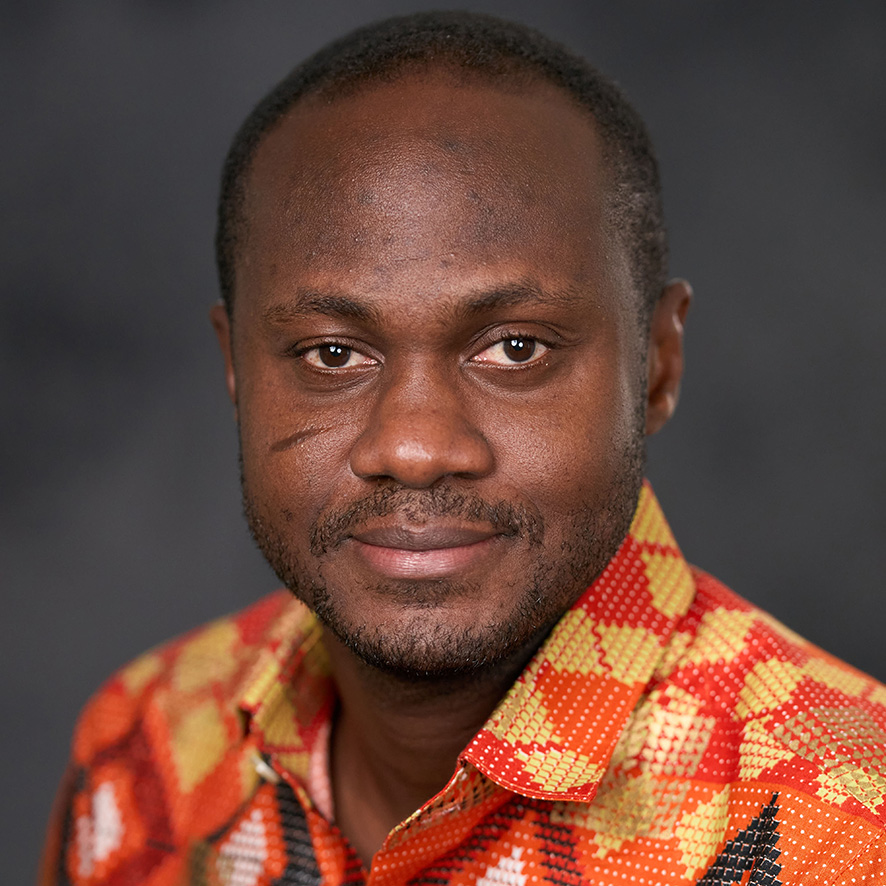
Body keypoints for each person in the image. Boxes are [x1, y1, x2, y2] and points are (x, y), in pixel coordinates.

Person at [40, 11, 886, 885]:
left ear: (658, 365)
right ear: (234, 371)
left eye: (515, 348)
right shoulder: (143, 747)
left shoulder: (853, 829)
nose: (413, 447)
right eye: (333, 354)